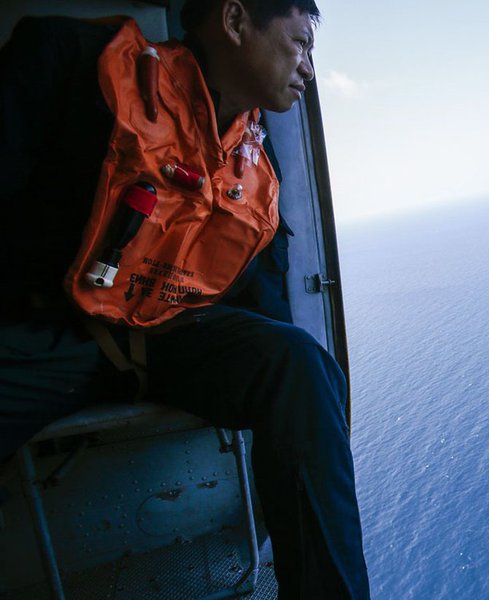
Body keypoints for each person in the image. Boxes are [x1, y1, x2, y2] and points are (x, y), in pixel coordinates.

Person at [0, 1, 371, 597]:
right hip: (51, 333)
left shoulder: (256, 163)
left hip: (174, 341)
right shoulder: (76, 63)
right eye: (300, 43)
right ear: (235, 21)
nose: (308, 66)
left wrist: (274, 378)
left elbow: (265, 307)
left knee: (303, 365)